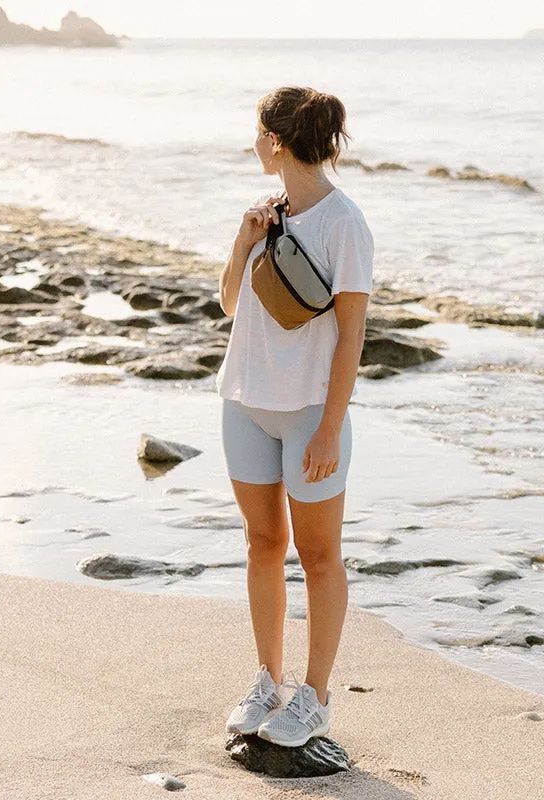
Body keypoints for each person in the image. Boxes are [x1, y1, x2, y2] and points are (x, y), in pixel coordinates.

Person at [216, 85, 374, 748]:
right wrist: (242, 240)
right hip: (245, 402)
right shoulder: (263, 212)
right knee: (261, 546)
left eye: (257, 132)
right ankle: (266, 680)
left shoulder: (345, 224)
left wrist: (332, 427)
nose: (253, 143)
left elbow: (351, 337)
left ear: (276, 141)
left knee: (318, 554)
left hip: (310, 411)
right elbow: (230, 304)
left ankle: (315, 697)